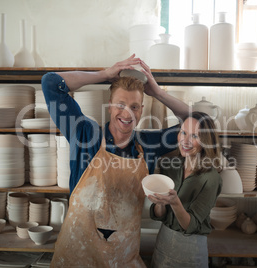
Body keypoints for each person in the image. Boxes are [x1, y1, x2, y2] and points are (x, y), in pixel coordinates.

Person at [41, 55, 189, 267]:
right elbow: (50, 83)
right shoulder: (85, 134)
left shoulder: (148, 144)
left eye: (135, 106)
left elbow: (197, 121)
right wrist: (104, 74)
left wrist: (157, 92)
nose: (127, 112)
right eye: (120, 104)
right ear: (109, 106)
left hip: (123, 259)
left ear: (142, 110)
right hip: (76, 257)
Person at [147, 111, 223, 268]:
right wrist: (160, 202)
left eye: (194, 136)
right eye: (183, 132)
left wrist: (175, 202)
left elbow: (191, 225)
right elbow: (159, 216)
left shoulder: (211, 178)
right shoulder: (169, 165)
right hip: (163, 242)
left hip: (191, 249)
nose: (185, 141)